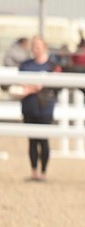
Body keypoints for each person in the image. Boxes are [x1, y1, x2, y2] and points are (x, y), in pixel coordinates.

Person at [18, 36, 60, 181]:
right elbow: (22, 84)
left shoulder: (52, 65)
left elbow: (53, 85)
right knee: (32, 141)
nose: (35, 48)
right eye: (33, 45)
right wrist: (35, 87)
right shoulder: (25, 65)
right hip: (29, 107)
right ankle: (33, 172)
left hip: (45, 108)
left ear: (44, 47)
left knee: (43, 140)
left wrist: (31, 88)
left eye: (38, 45)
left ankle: (44, 172)